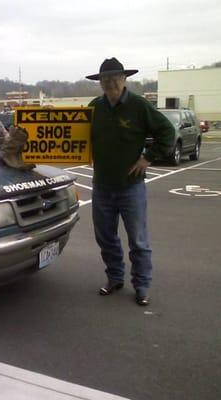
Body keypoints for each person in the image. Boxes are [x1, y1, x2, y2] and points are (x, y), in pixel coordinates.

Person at [86, 57, 174, 306]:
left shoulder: (139, 106)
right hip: (102, 186)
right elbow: (77, 135)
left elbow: (167, 131)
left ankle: (142, 285)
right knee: (105, 237)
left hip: (131, 186)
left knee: (138, 240)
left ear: (124, 79)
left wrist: (148, 158)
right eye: (104, 79)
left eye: (115, 77)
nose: (110, 82)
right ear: (100, 82)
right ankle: (114, 277)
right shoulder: (94, 107)